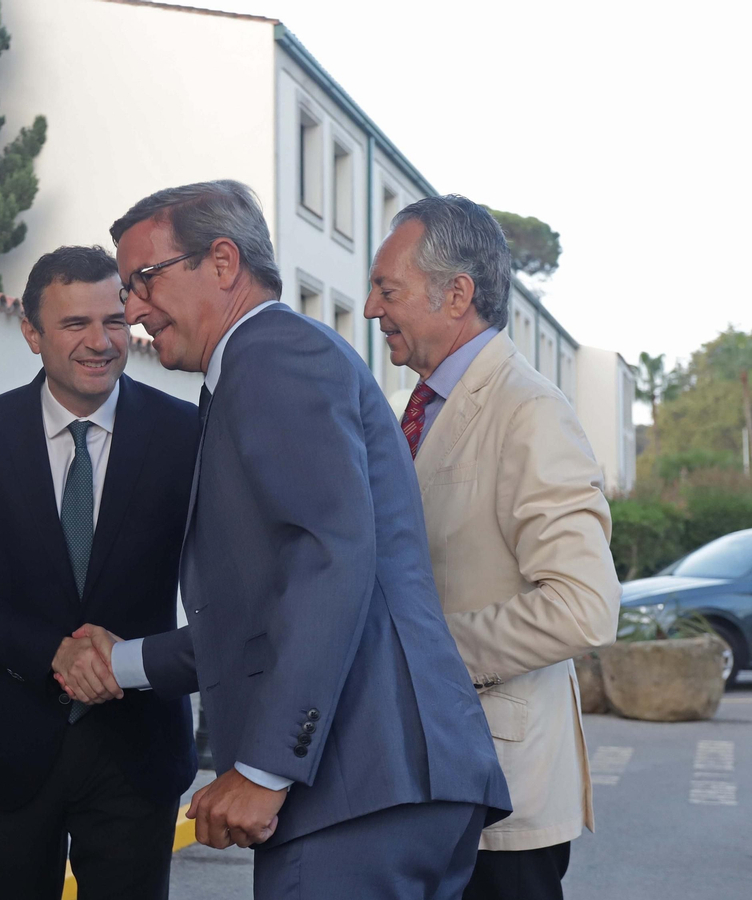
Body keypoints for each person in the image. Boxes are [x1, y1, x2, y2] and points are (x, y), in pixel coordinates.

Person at [67, 179, 512, 899]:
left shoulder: (270, 354)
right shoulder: (264, 362)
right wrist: (122, 662)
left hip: (355, 783)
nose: (134, 309)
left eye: (143, 280)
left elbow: (328, 559)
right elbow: (265, 611)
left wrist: (264, 768)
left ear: (221, 262)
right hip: (386, 783)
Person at [0, 246, 199, 900]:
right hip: (9, 749)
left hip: (139, 751)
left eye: (113, 321)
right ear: (32, 334)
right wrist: (55, 654)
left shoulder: (185, 435)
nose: (100, 342)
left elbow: (231, 583)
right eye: (75, 324)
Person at [366, 195, 621, 900]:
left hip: (500, 796)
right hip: (428, 781)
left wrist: (425, 654)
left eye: (388, 290)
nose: (369, 309)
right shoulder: (411, 410)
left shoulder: (531, 412)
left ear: (457, 294)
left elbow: (585, 608)